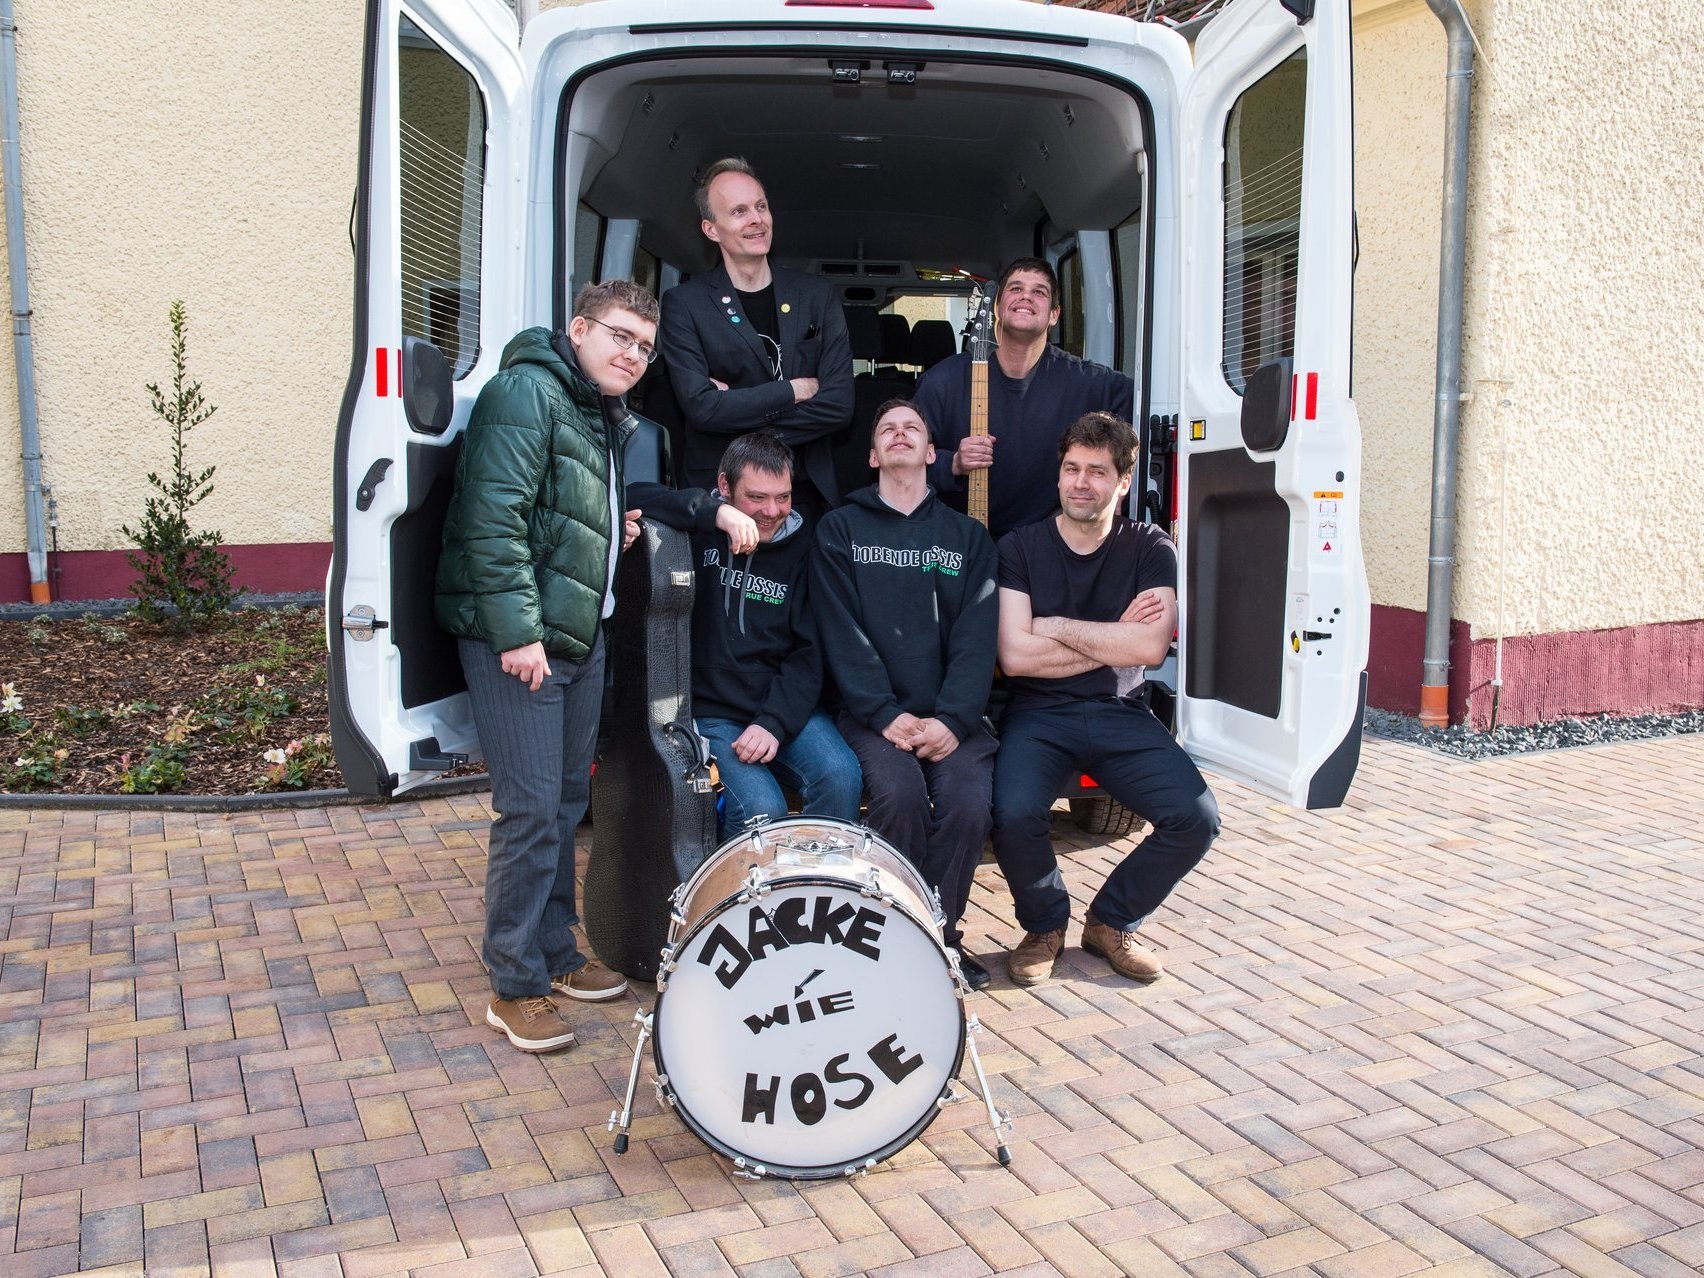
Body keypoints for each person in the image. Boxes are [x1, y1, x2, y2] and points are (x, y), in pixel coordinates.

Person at [434, 279, 658, 1053]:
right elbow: (490, 521)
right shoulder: (525, 392)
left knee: (564, 804)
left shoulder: (592, 408)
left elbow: (549, 516)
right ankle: (514, 983)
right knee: (529, 811)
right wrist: (517, 633)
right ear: (579, 328)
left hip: (574, 636)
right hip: (522, 641)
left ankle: (557, 954)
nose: (631, 354)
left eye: (643, 346)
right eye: (619, 336)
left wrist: (607, 537)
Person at [992, 412, 1219, 987]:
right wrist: (1111, 636)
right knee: (1014, 814)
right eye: (1072, 468)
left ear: (1123, 481)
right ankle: (1045, 927)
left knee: (1195, 819)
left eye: (1097, 471)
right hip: (1039, 712)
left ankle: (1112, 921)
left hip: (1121, 711)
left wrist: (1058, 624)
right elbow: (1016, 657)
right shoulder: (1021, 546)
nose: (1081, 482)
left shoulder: (1149, 547)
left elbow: (1148, 645)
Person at [812, 398, 999, 989]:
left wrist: (953, 719)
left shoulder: (967, 538)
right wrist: (884, 712)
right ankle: (892, 940)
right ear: (872, 455)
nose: (899, 434)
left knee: (969, 803)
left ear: (931, 454)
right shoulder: (839, 529)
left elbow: (977, 637)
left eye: (912, 428)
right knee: (898, 797)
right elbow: (841, 631)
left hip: (953, 719)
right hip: (874, 716)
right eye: (886, 428)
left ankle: (939, 939)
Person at [629, 431, 862, 835]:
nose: (772, 511)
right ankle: (741, 897)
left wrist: (774, 722)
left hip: (783, 708)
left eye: (783, 497)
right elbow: (633, 494)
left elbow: (810, 653)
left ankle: (814, 887)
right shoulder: (700, 531)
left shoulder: (807, 547)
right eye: (756, 497)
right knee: (760, 809)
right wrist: (714, 514)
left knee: (840, 777)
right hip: (712, 713)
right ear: (724, 486)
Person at [658, 157, 854, 515]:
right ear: (711, 229)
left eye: (761, 206)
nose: (756, 219)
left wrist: (736, 411)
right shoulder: (683, 304)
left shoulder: (816, 295)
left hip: (803, 491)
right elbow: (702, 408)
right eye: (739, 211)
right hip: (721, 496)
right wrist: (793, 391)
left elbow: (839, 405)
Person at [914, 257, 1135, 539]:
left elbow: (1141, 410)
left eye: (1039, 292)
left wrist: (1115, 489)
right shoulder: (942, 381)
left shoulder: (1087, 381)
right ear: (996, 307)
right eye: (1016, 289)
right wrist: (954, 463)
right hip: (957, 541)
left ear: (1054, 314)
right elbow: (905, 461)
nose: (1026, 297)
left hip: (1046, 544)